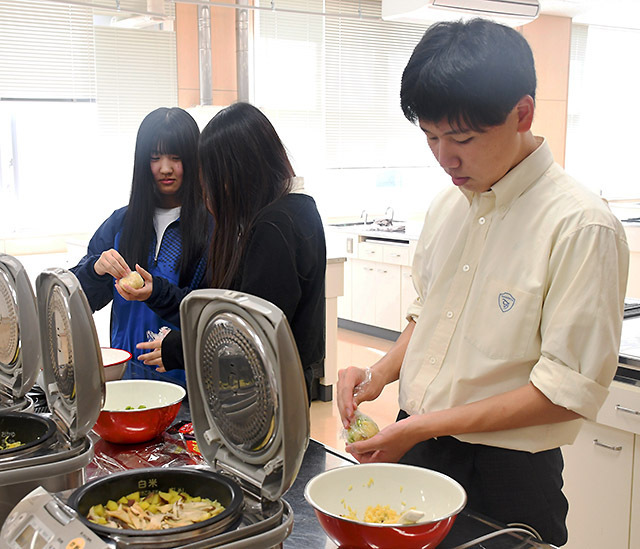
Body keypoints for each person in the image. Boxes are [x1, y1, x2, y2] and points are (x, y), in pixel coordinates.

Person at [336, 18, 629, 546]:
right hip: (418, 445)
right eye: (430, 137)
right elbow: (428, 316)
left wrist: (421, 426)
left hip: (507, 474)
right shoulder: (449, 206)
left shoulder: (581, 226)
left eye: (462, 138)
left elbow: (563, 394)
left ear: (523, 113)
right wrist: (379, 373)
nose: (445, 158)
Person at [134, 102, 326, 401]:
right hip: (282, 382)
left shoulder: (274, 226)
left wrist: (177, 348)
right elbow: (229, 306)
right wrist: (157, 292)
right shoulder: (298, 209)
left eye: (213, 176)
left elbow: (249, 332)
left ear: (238, 172)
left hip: (266, 392)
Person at [71, 107, 210, 387]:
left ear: (195, 161)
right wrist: (96, 269)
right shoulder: (121, 223)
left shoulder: (212, 227)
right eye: (155, 158)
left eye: (176, 157)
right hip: (127, 379)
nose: (165, 168)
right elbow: (77, 300)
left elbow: (213, 312)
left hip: (189, 381)